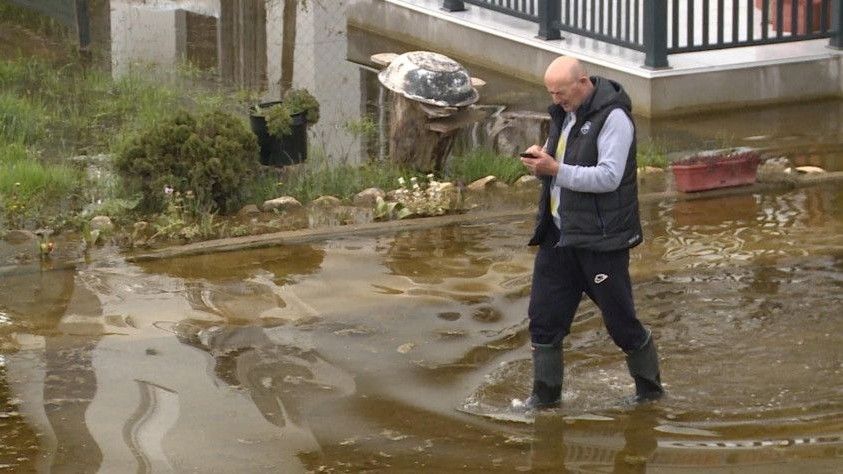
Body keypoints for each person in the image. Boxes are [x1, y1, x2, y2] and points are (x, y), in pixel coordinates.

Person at [516, 56, 663, 410]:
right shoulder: (565, 113)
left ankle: (651, 394)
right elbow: (563, 165)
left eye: (562, 93)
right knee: (544, 320)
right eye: (551, 93)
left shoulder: (614, 119)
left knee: (621, 324)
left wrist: (556, 169)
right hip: (559, 238)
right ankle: (544, 399)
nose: (556, 100)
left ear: (583, 82)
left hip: (601, 242)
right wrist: (544, 161)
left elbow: (608, 177)